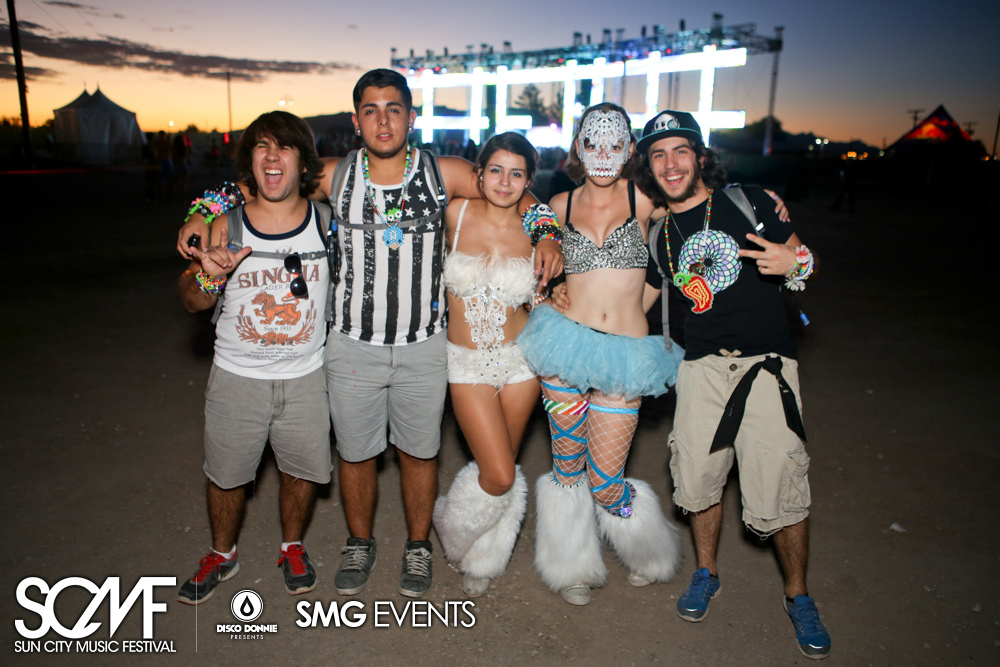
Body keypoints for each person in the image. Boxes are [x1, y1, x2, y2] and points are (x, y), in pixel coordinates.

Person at [176, 69, 563, 598]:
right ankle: (359, 542)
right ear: (357, 120)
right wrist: (202, 212)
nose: (383, 121)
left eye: (394, 109)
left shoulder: (443, 172)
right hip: (352, 344)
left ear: (411, 117)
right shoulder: (335, 175)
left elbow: (511, 187)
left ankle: (418, 546)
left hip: (424, 344)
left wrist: (547, 232)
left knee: (419, 452)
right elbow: (258, 182)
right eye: (371, 110)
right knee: (355, 453)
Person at [633, 110, 830, 659]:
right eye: (658, 155)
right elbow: (638, 304)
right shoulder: (659, 234)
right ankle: (706, 572)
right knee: (698, 480)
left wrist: (796, 262)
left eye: (680, 150)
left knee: (781, 485)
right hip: (700, 370)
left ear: (700, 157)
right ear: (649, 168)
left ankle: (798, 596)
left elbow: (806, 264)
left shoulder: (751, 202)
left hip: (766, 366)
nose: (671, 163)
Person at [516, 103, 685, 607]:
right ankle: (571, 567)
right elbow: (516, 219)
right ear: (578, 146)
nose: (604, 154)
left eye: (616, 144)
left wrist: (763, 202)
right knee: (567, 470)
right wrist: (545, 295)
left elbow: (697, 211)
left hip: (625, 358)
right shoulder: (559, 204)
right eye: (594, 143)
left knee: (607, 481)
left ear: (631, 149)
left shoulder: (646, 198)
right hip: (564, 347)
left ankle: (650, 552)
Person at [176, 111, 330, 605]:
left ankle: (292, 547)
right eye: (262, 146)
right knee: (226, 477)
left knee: (300, 472)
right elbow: (191, 301)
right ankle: (222, 554)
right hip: (237, 377)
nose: (272, 156)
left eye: (284, 147)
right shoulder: (226, 224)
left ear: (302, 162)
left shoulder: (327, 223)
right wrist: (209, 276)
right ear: (251, 161)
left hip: (306, 376)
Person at [432, 133, 543, 597]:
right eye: (495, 170)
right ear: (478, 173)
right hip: (466, 362)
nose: (504, 181)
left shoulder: (539, 230)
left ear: (528, 181)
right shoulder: (455, 214)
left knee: (503, 470)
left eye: (517, 173)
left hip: (521, 364)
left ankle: (485, 558)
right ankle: (452, 528)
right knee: (496, 472)